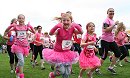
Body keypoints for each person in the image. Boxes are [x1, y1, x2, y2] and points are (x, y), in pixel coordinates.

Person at [42, 13, 83, 78]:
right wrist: (56, 26)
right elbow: (51, 33)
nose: (66, 22)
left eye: (68, 20)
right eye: (64, 20)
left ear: (71, 21)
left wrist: (76, 25)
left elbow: (81, 32)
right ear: (61, 21)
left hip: (67, 53)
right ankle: (52, 75)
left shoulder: (72, 28)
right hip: (58, 53)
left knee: (67, 72)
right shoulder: (59, 29)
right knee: (61, 71)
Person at [99, 8, 121, 74]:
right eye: (110, 11)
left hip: (111, 40)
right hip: (105, 40)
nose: (112, 12)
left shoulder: (112, 20)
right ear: (107, 12)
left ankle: (110, 67)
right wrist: (114, 24)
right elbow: (106, 29)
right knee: (104, 56)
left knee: (118, 53)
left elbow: (112, 31)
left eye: (113, 11)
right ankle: (96, 69)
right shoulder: (106, 20)